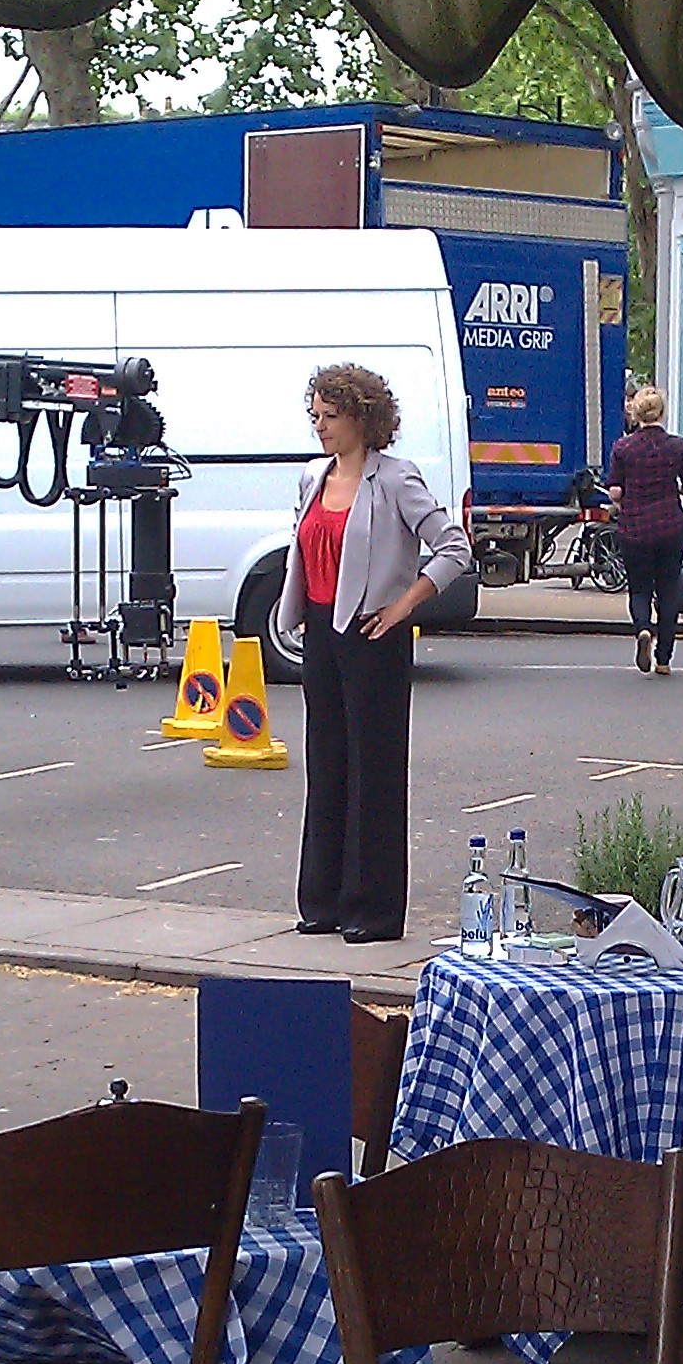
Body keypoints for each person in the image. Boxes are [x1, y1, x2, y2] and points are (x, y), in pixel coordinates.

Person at [277, 362, 473, 944]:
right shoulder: (312, 478)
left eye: (331, 417)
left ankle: (374, 909)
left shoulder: (395, 478)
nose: (321, 427)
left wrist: (402, 605)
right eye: (315, 416)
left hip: (373, 636)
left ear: (363, 418)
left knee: (375, 772)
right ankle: (323, 901)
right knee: (327, 763)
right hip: (320, 631)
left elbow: (453, 546)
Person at [605, 385, 683, 676]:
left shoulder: (623, 448)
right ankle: (664, 659)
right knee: (669, 590)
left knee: (640, 588)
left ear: (637, 414)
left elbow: (615, 490)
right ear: (661, 412)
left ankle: (643, 628)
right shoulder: (679, 446)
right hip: (671, 525)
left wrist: (621, 497)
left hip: (635, 526)